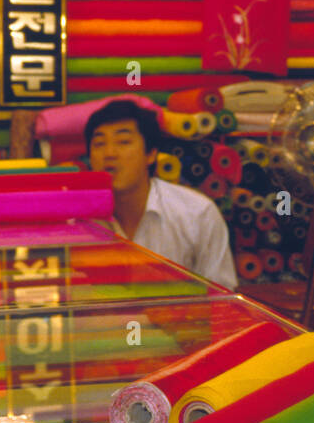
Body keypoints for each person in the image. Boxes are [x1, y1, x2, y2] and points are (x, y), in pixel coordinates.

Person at [85, 99, 238, 289]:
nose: (109, 153)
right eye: (99, 143)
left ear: (151, 154)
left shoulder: (198, 214)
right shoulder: (79, 221)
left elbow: (223, 296)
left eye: (123, 142)